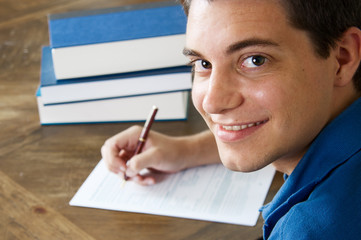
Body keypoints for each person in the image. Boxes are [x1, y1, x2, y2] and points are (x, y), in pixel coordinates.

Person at [101, 0, 361, 239]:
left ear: (342, 58)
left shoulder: (309, 229)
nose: (212, 101)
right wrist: (188, 149)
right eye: (203, 64)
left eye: (254, 60)